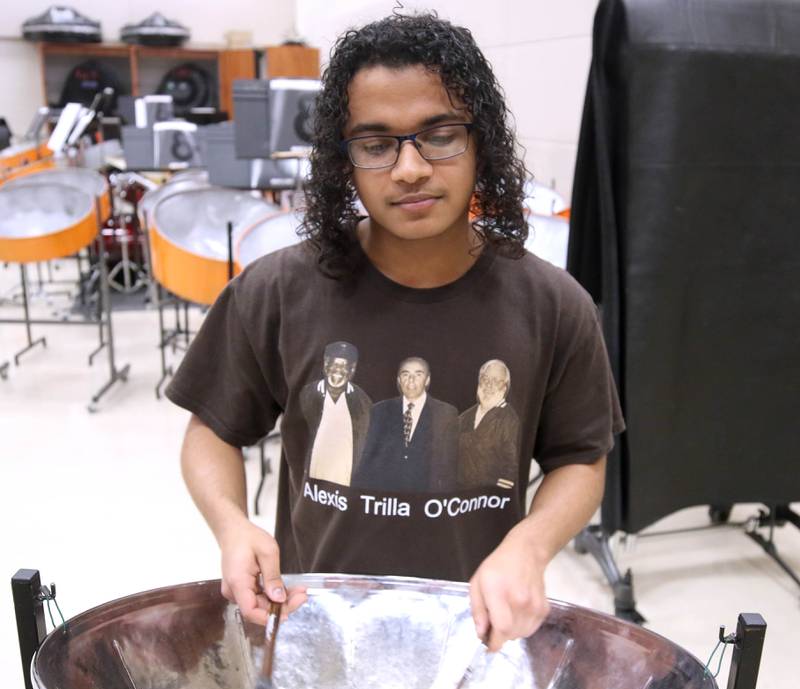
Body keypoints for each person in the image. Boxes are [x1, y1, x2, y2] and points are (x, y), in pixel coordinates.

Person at [166, 12, 624, 653]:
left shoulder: (554, 305)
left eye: (439, 136)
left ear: (480, 141)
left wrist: (531, 544)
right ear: (343, 160)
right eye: (377, 144)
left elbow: (580, 456)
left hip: (476, 644)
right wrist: (232, 526)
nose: (409, 169)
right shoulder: (276, 291)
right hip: (316, 634)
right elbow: (211, 430)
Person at [352, 356, 458, 492]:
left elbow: (449, 468)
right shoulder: (379, 410)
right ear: (398, 380)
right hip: (388, 499)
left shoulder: (446, 413)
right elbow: (369, 458)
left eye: (418, 374)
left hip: (426, 499)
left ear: (427, 380)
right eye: (405, 374)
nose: (411, 380)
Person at [300, 341, 371, 486]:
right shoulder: (307, 394)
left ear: (352, 371)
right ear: (326, 366)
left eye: (345, 367)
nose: (339, 371)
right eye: (335, 365)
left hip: (347, 485)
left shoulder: (362, 400)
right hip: (313, 486)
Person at [458, 359, 520, 490]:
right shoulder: (464, 417)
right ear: (479, 381)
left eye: (496, 381)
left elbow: (511, 469)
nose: (489, 386)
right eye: (485, 379)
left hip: (489, 500)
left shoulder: (509, 420)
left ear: (504, 388)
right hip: (458, 497)